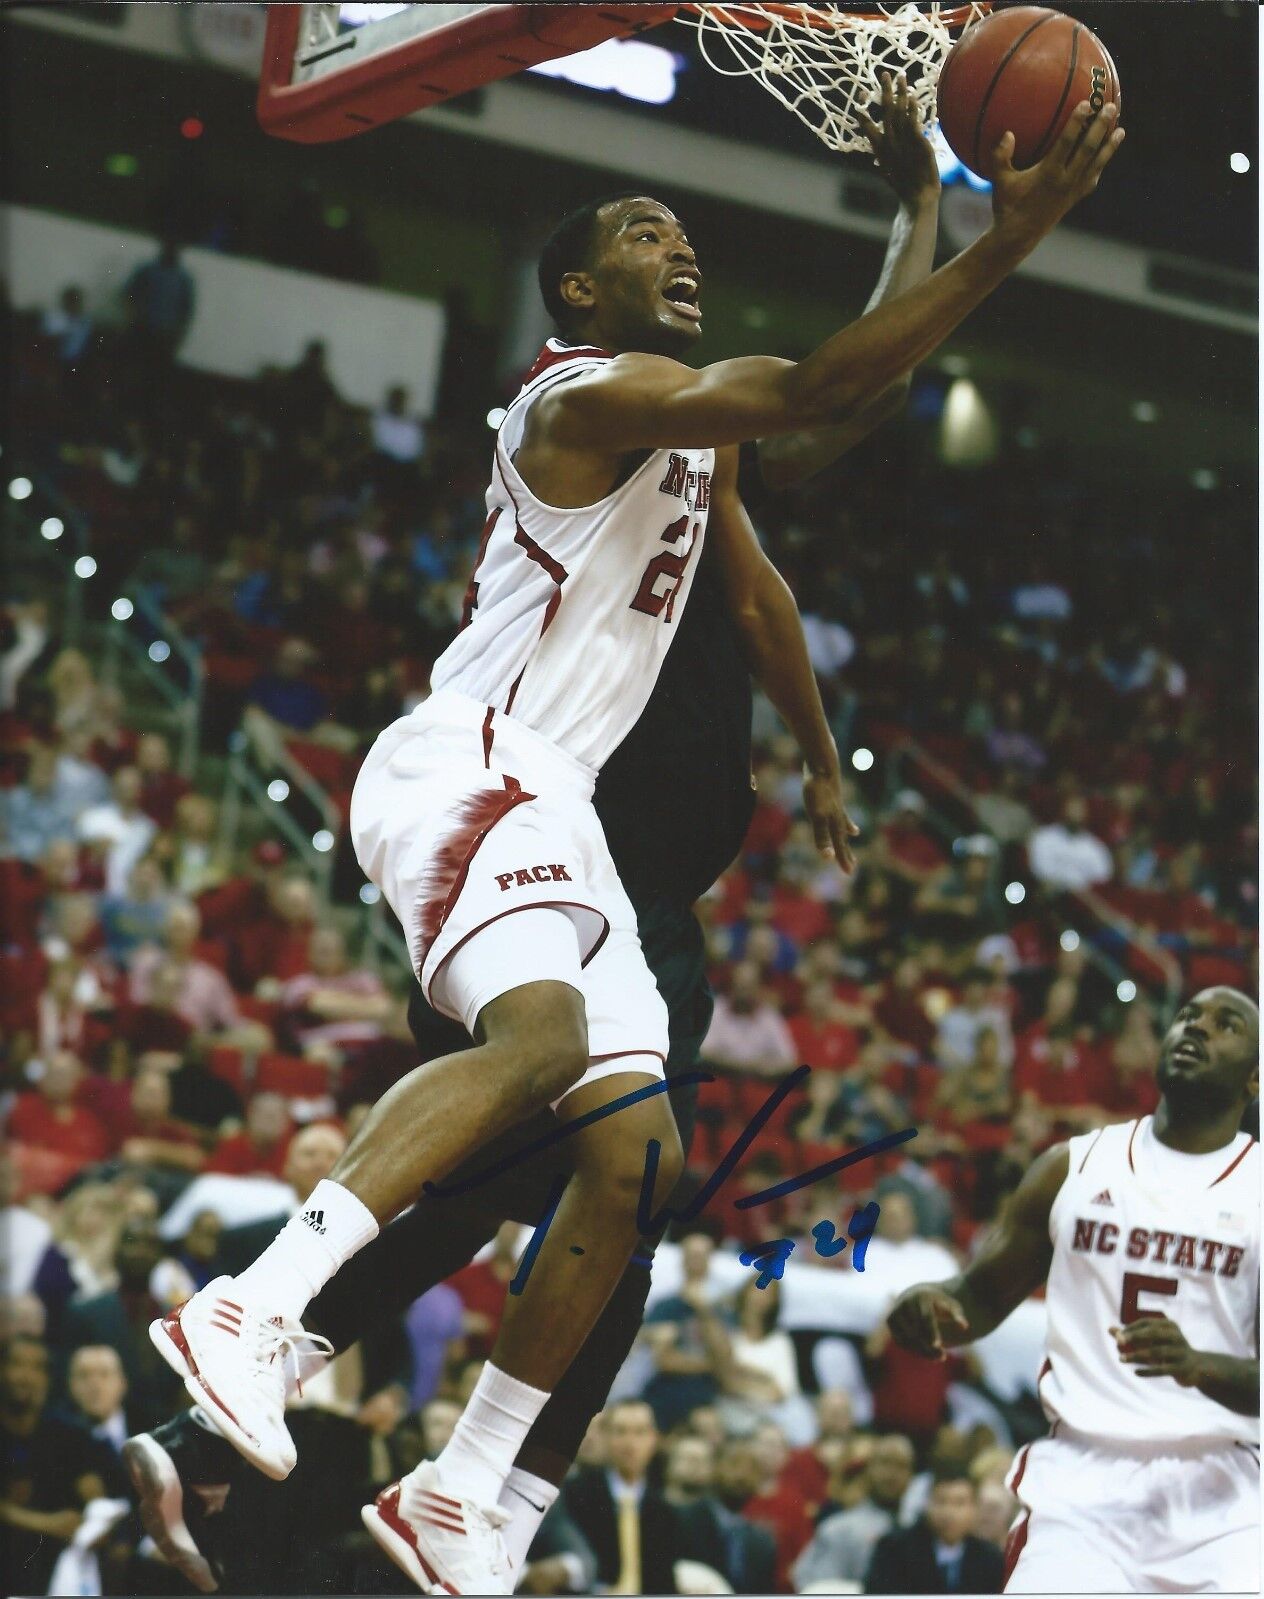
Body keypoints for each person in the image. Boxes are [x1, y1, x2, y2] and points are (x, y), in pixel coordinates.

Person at [146, 87, 1122, 1596]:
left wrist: (925, 214)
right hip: (471, 757)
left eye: (684, 235)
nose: (681, 247)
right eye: (644, 230)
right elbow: (808, 388)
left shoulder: (688, 445)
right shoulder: (578, 396)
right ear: (578, 289)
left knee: (635, 1159)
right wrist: (1011, 234)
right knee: (534, 1055)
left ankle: (465, 1487)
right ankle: (252, 1308)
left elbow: (808, 445)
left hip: (565, 807)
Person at [887, 987, 1259, 1593]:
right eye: (1188, 1016)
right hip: (1085, 1483)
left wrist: (1200, 1366)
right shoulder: (1074, 1166)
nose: (1196, 1029)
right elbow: (976, 1298)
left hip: (1222, 1494)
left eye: (1227, 1026)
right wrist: (932, 1303)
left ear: (1255, 1079)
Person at [562, 1399, 681, 1594]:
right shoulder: (577, 1494)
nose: (630, 1443)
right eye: (621, 1431)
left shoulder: (664, 1510)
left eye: (640, 1432)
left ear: (654, 1439)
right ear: (605, 1436)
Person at [792, 1432, 915, 1590]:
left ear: (912, 1475)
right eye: (885, 1463)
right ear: (869, 1469)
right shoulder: (840, 1529)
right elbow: (819, 1588)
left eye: (901, 1466)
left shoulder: (922, 1531)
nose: (892, 1474)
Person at [864, 1465, 1004, 1594]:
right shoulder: (894, 1549)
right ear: (927, 1504)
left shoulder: (990, 1559)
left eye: (959, 1503)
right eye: (941, 1501)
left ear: (975, 1508)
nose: (949, 1512)